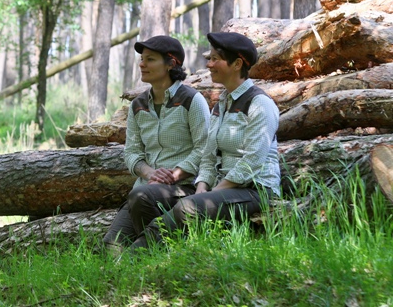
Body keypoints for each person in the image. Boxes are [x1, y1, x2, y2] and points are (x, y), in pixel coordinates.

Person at [129, 31, 281, 250]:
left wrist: (213, 192)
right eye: (208, 59)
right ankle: (165, 254)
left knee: (187, 207)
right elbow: (208, 157)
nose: (208, 64)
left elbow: (252, 163)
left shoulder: (260, 104)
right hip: (224, 188)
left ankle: (136, 257)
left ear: (237, 64)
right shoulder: (221, 105)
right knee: (147, 198)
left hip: (255, 190)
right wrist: (202, 188)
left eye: (214, 59)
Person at [102, 35, 210, 254]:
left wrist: (176, 174)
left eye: (150, 59)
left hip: (184, 188)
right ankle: (159, 251)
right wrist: (150, 173)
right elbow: (131, 153)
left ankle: (163, 257)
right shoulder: (138, 105)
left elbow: (205, 148)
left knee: (140, 200)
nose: (142, 64)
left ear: (171, 63)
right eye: (142, 58)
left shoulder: (192, 100)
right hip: (147, 187)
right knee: (111, 248)